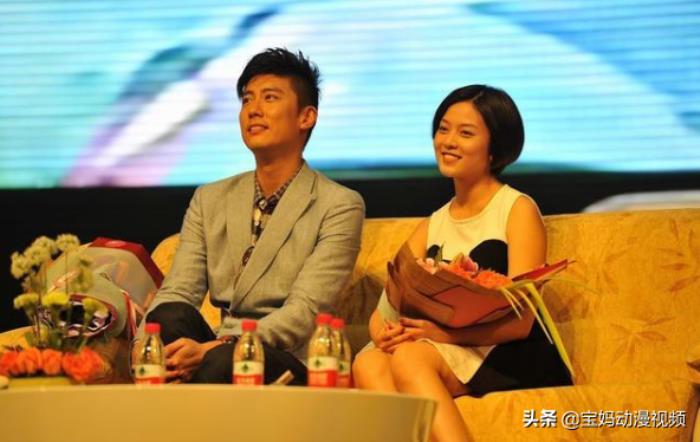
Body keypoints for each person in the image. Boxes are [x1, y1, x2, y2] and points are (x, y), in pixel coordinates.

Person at [352, 85, 572, 442]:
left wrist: (442, 335)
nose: (448, 141)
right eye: (443, 129)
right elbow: (384, 311)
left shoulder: (516, 209)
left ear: (494, 148)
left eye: (465, 133)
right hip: (440, 347)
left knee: (410, 358)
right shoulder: (433, 223)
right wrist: (386, 334)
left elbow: (521, 323)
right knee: (369, 361)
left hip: (509, 352)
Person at [142, 48, 365, 385]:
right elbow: (178, 292)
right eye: (247, 99)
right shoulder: (210, 198)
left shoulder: (339, 205)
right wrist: (143, 346)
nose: (253, 110)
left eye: (270, 98)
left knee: (224, 361)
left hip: (287, 358)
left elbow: (303, 313)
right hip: (216, 351)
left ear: (306, 117)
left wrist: (222, 345)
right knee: (169, 316)